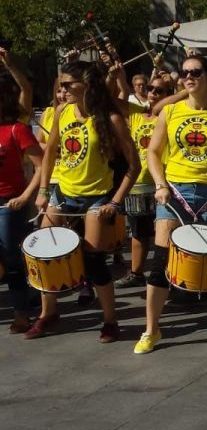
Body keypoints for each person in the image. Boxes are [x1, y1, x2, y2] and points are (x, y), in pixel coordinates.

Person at [136, 55, 207, 354]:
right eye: (184, 72)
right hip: (175, 191)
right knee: (161, 262)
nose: (188, 77)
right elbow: (153, 152)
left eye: (196, 72)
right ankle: (151, 329)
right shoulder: (171, 112)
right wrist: (160, 184)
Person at [27, 61, 138, 342]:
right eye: (60, 85)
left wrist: (115, 202)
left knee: (94, 261)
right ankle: (48, 313)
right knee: (44, 252)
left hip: (96, 197)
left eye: (67, 85)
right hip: (63, 192)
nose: (62, 90)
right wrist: (43, 191)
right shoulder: (62, 112)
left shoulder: (111, 119)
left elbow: (133, 166)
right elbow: (50, 153)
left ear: (86, 85)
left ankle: (110, 321)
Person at [115, 73, 173, 288]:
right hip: (139, 182)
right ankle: (136, 272)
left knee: (165, 233)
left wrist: (177, 86)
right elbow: (109, 99)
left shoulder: (171, 113)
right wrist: (114, 75)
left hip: (163, 183)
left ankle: (168, 275)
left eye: (160, 90)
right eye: (150, 89)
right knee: (138, 233)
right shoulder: (136, 113)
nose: (153, 93)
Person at [0, 70, 43, 333]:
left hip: (8, 204)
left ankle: (21, 314)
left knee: (12, 259)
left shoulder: (17, 129)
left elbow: (41, 165)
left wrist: (26, 196)